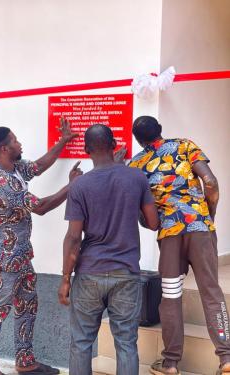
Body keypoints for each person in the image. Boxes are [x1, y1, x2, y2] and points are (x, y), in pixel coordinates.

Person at [128, 116, 230, 375]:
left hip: (170, 236)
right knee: (211, 291)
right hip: (200, 228)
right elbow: (211, 183)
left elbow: (147, 220)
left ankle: (171, 362)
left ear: (138, 139)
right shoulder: (185, 146)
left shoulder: (135, 165)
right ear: (160, 130)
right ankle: (226, 359)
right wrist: (208, 215)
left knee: (171, 295)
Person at [0, 118, 82, 375]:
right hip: (4, 256)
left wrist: (63, 140)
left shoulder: (15, 168)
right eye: (15, 141)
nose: (19, 143)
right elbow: (41, 207)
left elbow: (38, 166)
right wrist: (73, 186)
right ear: (4, 148)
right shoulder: (3, 181)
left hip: (21, 255)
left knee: (27, 305)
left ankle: (25, 362)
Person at [58, 124, 159, 375]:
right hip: (126, 273)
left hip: (89, 272)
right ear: (114, 145)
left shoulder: (80, 186)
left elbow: (73, 238)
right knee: (126, 344)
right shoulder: (136, 177)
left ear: (86, 150)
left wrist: (65, 279)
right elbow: (154, 222)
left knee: (81, 343)